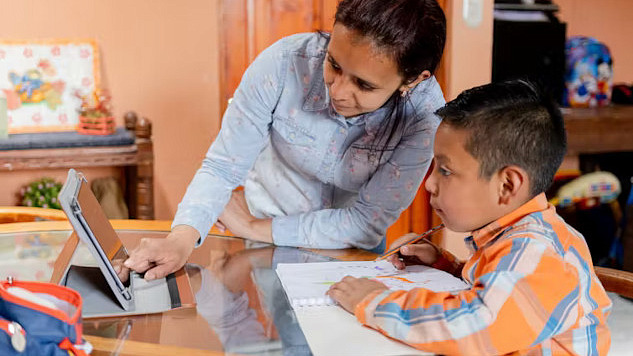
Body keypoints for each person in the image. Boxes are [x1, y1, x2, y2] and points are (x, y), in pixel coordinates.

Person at [124, 0, 447, 280]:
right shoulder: (282, 63)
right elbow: (223, 168)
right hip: (267, 239)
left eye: (363, 85)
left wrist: (252, 226)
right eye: (333, 64)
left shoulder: (424, 115)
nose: (336, 91)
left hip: (343, 246)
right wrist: (182, 238)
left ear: (414, 80)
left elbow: (366, 221)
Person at [327, 80, 612, 355]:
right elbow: (500, 287)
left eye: (446, 171)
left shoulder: (537, 250)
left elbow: (472, 326)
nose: (429, 184)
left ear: (507, 186)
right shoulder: (516, 237)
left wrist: (374, 300)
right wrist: (446, 266)